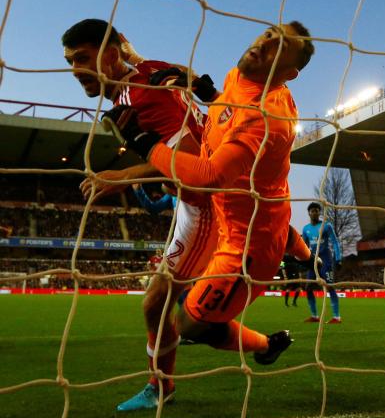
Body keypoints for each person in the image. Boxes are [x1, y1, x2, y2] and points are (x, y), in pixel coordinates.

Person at [100, 22, 315, 370]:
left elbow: (210, 176)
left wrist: (144, 144)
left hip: (247, 248)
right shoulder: (240, 76)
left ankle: (266, 344)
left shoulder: (267, 119)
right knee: (177, 298)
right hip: (247, 213)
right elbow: (226, 110)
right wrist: (200, 87)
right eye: (270, 33)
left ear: (288, 72)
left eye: (280, 46)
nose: (265, 42)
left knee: (189, 324)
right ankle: (299, 249)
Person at [65, 18, 217, 412]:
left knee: (160, 304)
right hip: (191, 198)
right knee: (167, 307)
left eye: (83, 58)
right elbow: (163, 66)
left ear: (110, 55)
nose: (76, 71)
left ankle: (161, 386)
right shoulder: (147, 70)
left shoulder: (143, 95)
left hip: (207, 203)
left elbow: (189, 159)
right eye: (70, 61)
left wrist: (123, 177)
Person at [301, 202, 343, 323]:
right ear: (309, 213)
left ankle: (337, 317)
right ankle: (315, 316)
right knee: (308, 287)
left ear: (320, 212)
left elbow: (335, 242)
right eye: (312, 210)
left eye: (317, 210)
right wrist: (302, 259)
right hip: (313, 260)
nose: (315, 212)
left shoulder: (326, 226)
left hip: (325, 259)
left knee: (329, 286)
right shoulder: (306, 229)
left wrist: (338, 259)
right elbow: (304, 246)